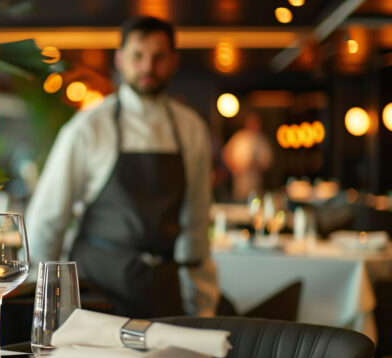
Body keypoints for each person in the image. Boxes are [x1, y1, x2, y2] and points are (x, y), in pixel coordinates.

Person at [25, 16, 219, 318]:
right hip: (96, 293)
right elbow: (47, 222)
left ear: (173, 62)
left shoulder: (191, 128)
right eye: (138, 56)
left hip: (164, 294)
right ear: (120, 59)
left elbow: (196, 224)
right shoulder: (88, 127)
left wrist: (204, 305)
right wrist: (41, 306)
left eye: (158, 57)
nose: (147, 67)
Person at [222, 111, 273, 202]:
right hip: (239, 181)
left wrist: (255, 165)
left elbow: (267, 161)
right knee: (238, 202)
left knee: (255, 201)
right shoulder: (239, 137)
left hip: (255, 182)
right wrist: (234, 167)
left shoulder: (262, 140)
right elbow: (226, 154)